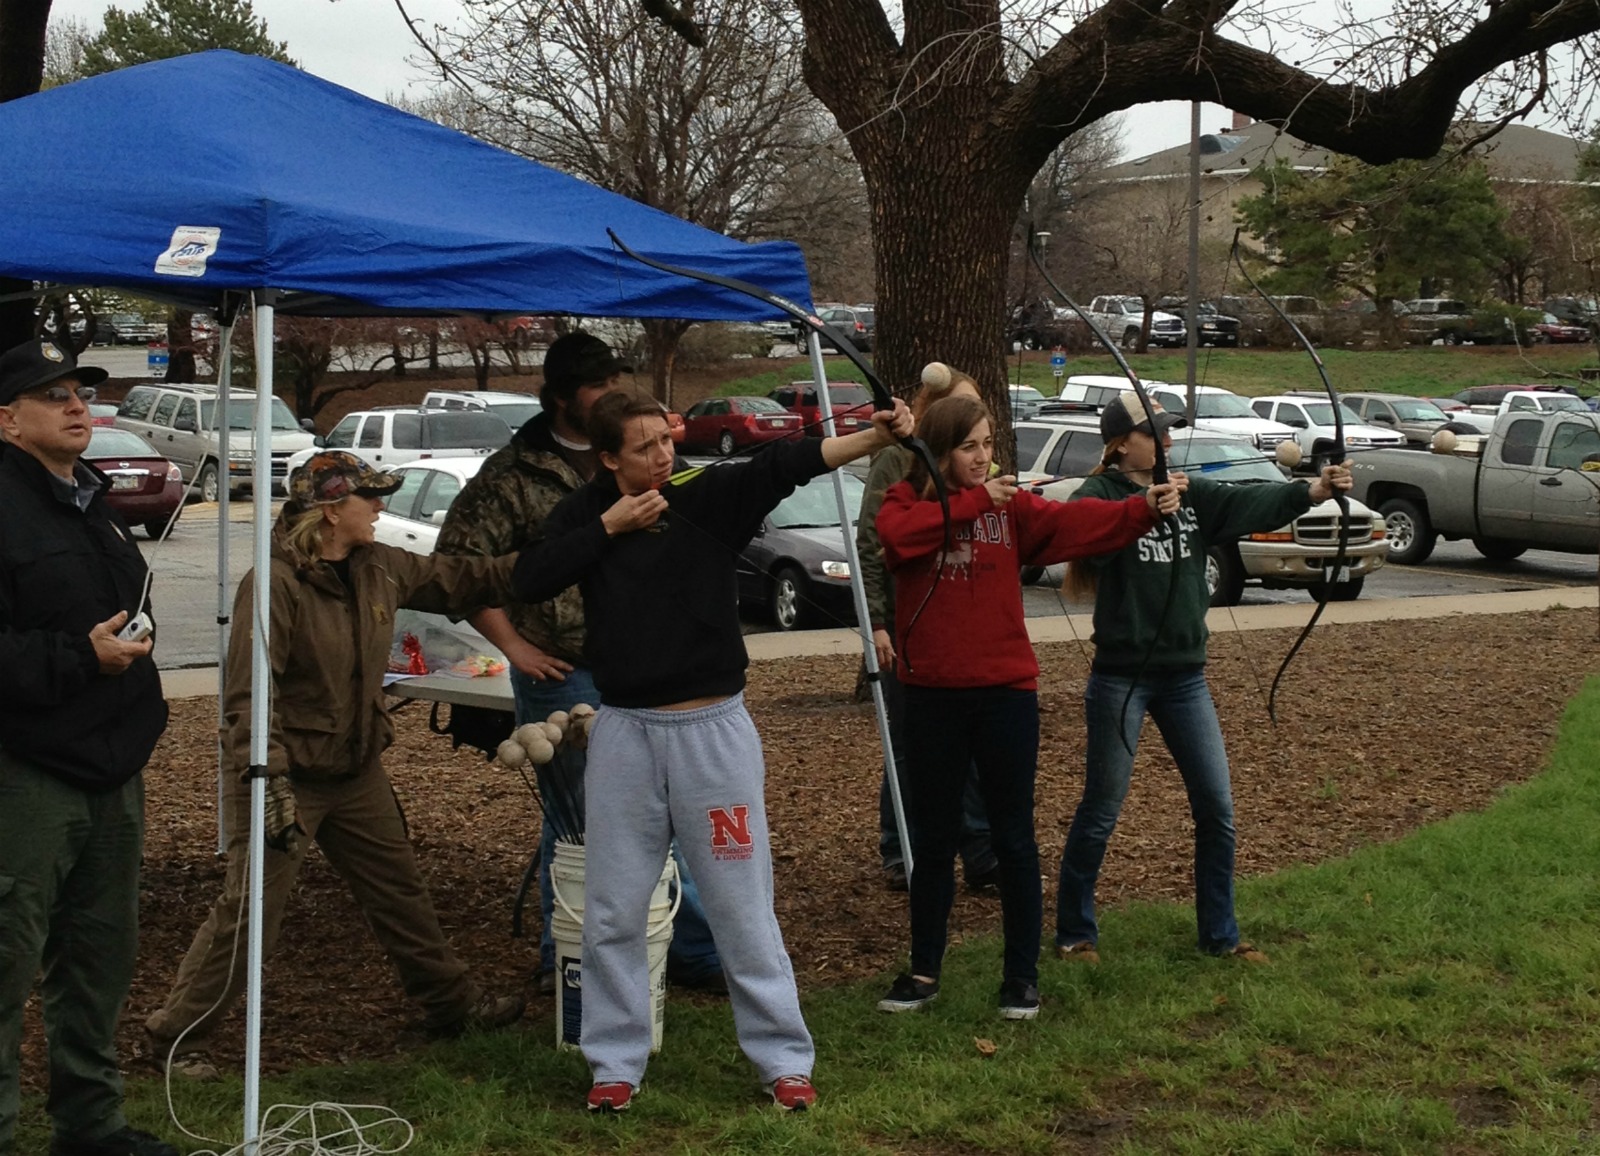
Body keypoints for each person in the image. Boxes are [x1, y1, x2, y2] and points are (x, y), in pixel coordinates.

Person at [511, 389, 915, 1113]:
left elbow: (791, 461)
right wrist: (608, 527)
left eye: (666, 441)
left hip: (713, 733)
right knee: (611, 912)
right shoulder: (585, 516)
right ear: (607, 459)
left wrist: (873, 436)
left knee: (741, 907)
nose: (664, 457)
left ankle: (784, 1061)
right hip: (626, 735)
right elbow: (530, 577)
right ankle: (615, 1063)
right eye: (643, 449)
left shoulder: (705, 491)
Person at [145, 452, 527, 1076]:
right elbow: (249, 695)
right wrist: (266, 780)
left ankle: (451, 1006)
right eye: (369, 498)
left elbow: (470, 578)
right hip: (284, 774)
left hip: (354, 771)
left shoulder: (379, 566)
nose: (381, 507)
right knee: (251, 912)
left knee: (399, 890)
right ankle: (175, 1039)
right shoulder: (273, 584)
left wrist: (587, 542)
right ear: (329, 511)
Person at [873, 390, 1177, 1020]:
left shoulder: (1009, 511)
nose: (983, 458)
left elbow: (1071, 526)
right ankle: (924, 970)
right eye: (968, 447)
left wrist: (1141, 509)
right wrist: (976, 501)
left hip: (1005, 691)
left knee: (1013, 835)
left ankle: (1021, 978)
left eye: (988, 445)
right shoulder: (909, 502)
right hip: (931, 695)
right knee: (933, 838)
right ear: (938, 450)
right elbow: (899, 540)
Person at [436, 331, 724, 994]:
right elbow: (459, 570)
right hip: (565, 671)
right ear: (565, 396)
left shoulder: (651, 461)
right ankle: (563, 953)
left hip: (650, 669)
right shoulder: (514, 475)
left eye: (622, 382)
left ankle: (690, 947)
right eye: (601, 386)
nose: (616, 396)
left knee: (666, 810)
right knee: (577, 819)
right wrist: (514, 646)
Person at [1053, 392, 1352, 963]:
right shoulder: (1101, 494)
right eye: (1153, 433)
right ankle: (1075, 932)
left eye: (1168, 431)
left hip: (1185, 677)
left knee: (1216, 807)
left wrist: (1314, 489)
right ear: (1121, 445)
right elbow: (1078, 531)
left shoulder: (1193, 494)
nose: (1166, 441)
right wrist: (1142, 507)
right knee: (1102, 808)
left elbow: (1254, 501)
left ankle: (1221, 935)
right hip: (1122, 677)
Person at [0, 339, 177, 1156]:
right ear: (7, 420)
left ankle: (91, 1126)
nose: (76, 405)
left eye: (78, 391)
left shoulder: (91, 500)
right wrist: (82, 656)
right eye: (52, 394)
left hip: (114, 766)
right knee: (9, 962)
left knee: (100, 955)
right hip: (27, 771)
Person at [856, 363, 998, 892]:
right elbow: (873, 543)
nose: (975, 445)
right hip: (907, 626)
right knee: (910, 743)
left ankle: (980, 851)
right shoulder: (898, 461)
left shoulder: (981, 468)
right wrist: (877, 623)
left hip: (963, 632)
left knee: (975, 747)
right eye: (956, 412)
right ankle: (902, 848)